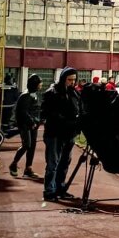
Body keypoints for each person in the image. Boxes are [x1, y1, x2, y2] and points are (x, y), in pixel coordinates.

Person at [41, 67, 81, 202]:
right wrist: (69, 122)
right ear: (63, 79)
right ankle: (49, 191)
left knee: (64, 163)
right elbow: (49, 114)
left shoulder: (74, 93)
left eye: (74, 80)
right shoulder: (52, 93)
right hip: (55, 133)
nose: (72, 82)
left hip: (69, 134)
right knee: (53, 164)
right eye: (69, 80)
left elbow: (78, 109)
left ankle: (60, 188)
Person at [9, 76, 42, 178]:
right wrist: (32, 122)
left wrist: (38, 121)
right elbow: (23, 112)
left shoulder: (34, 94)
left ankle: (28, 168)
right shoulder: (26, 95)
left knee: (32, 146)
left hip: (33, 124)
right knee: (27, 145)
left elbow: (35, 110)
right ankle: (13, 164)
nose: (41, 84)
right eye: (39, 82)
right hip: (25, 125)